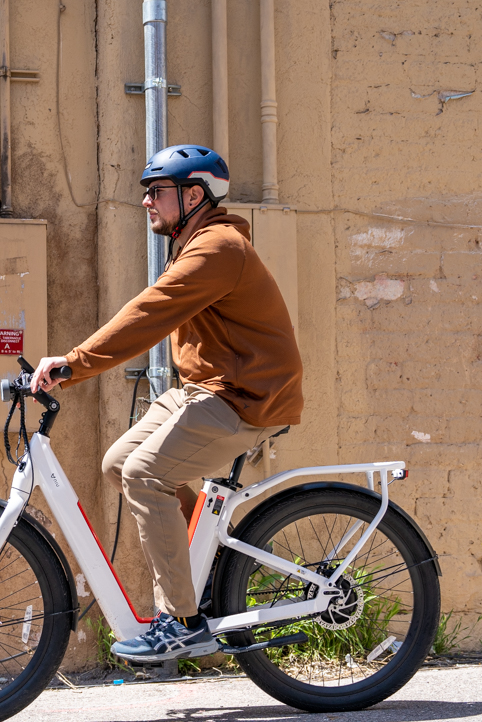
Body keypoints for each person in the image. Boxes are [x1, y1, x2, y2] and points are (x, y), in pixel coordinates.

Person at [30, 145, 304, 662]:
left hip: (245, 397)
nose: (145, 202)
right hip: (204, 389)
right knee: (118, 464)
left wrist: (73, 364)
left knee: (145, 475)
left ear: (194, 194)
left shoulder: (217, 248)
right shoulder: (195, 245)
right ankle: (202, 559)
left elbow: (149, 313)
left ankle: (181, 620)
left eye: (156, 191)